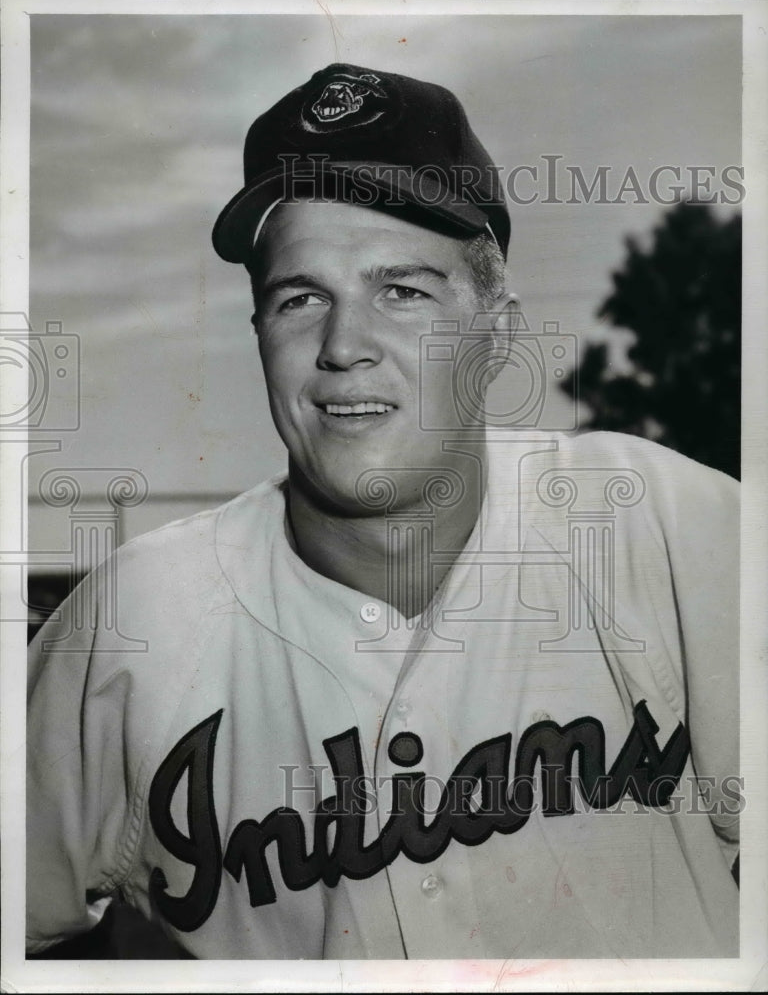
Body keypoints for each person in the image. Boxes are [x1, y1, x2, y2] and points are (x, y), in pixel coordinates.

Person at [27, 63, 739, 960]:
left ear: (499, 328)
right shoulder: (134, 623)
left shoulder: (669, 526)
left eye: (402, 291)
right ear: (259, 333)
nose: (344, 346)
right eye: (301, 298)